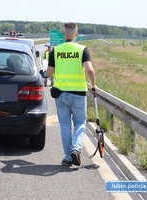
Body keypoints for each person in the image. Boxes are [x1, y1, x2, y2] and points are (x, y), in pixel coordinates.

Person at [43, 22, 96, 166]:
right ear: (76, 34)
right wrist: (93, 85)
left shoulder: (56, 50)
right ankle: (76, 149)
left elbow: (48, 73)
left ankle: (68, 157)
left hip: (60, 94)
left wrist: (43, 73)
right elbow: (90, 70)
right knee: (80, 123)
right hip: (78, 94)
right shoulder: (82, 50)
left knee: (65, 126)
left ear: (64, 34)